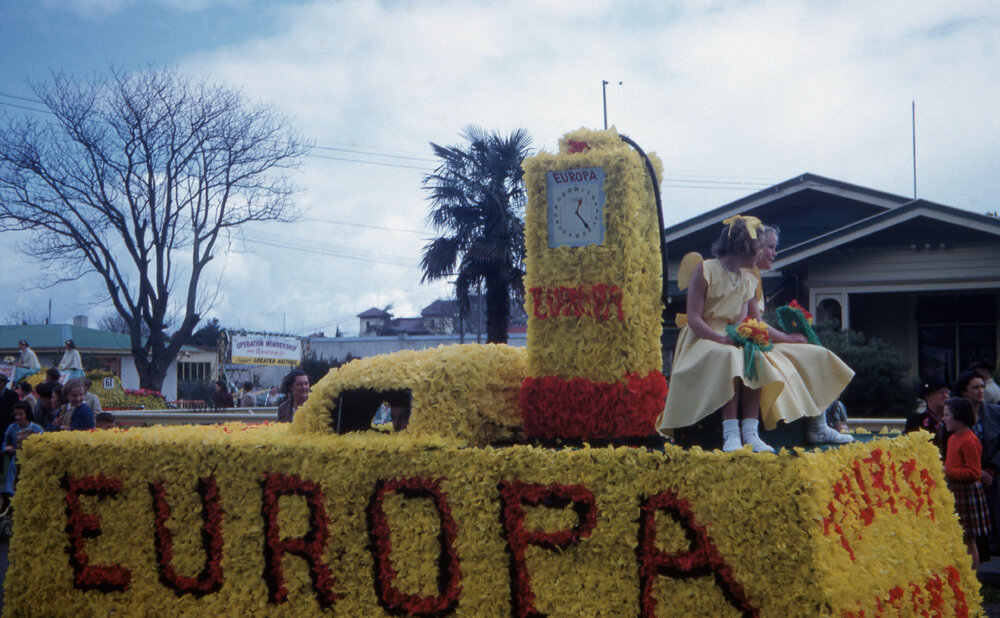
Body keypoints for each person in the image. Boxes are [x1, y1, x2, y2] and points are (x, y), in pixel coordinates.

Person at [659, 215, 854, 452]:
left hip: (729, 336)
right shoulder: (706, 269)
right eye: (762, 248)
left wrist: (743, 338)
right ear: (746, 247)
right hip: (703, 337)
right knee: (733, 356)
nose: (764, 254)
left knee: (754, 355)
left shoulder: (747, 280)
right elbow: (694, 319)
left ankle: (756, 432)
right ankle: (731, 433)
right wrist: (723, 339)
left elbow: (744, 322)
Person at [754, 224, 851, 445]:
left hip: (757, 339)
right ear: (757, 247)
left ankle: (819, 423)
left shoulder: (754, 277)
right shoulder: (747, 276)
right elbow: (754, 323)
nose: (774, 253)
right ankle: (817, 428)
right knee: (811, 353)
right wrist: (788, 339)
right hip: (747, 342)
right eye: (770, 247)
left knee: (812, 350)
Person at [943, 396, 991, 569]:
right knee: (957, 538)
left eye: (947, 415)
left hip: (966, 492)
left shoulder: (970, 440)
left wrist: (947, 471)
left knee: (968, 539)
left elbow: (974, 472)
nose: (944, 419)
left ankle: (972, 576)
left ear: (959, 417)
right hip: (955, 491)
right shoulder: (952, 439)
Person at [2, 401, 44, 497]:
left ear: (27, 414)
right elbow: (6, 443)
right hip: (16, 460)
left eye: (20, 414)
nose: (17, 417)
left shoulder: (37, 429)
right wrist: (7, 448)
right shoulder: (11, 428)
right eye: (15, 414)